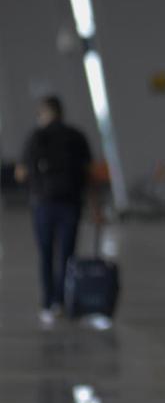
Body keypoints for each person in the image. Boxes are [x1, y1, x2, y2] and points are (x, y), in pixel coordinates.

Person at [16, 95, 94, 325]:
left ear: (44, 113)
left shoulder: (36, 137)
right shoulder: (76, 136)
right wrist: (95, 205)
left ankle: (48, 303)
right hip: (71, 203)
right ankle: (63, 301)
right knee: (68, 255)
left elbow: (21, 173)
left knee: (46, 254)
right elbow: (89, 173)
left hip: (44, 204)